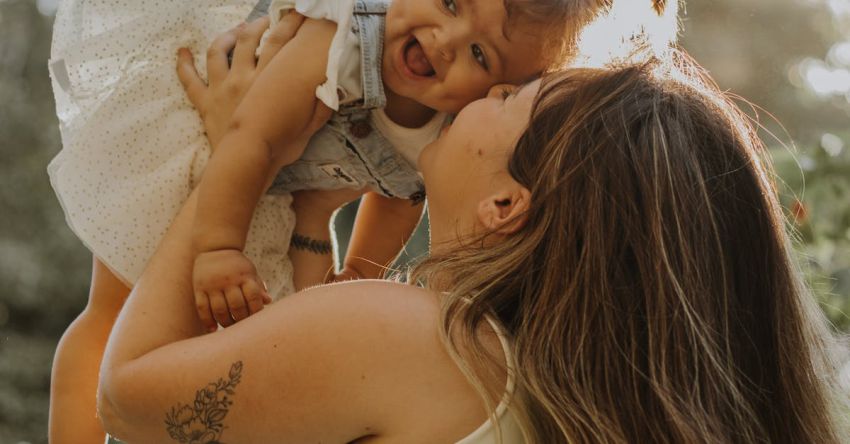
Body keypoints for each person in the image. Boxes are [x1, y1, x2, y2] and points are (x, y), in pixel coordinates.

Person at [96, 33, 848, 442]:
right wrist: (301, 212)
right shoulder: (541, 399)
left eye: (514, 95)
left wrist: (235, 149)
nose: (485, 91)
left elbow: (130, 398)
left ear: (505, 203)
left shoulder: (419, 342)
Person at [49, 0, 683, 441]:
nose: (443, 40)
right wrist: (220, 241)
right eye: (449, 4)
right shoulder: (349, 38)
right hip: (216, 159)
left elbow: (400, 196)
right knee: (108, 311)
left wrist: (359, 271)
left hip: (259, 190)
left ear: (508, 204)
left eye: (496, 75)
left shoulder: (440, 123)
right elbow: (254, 132)